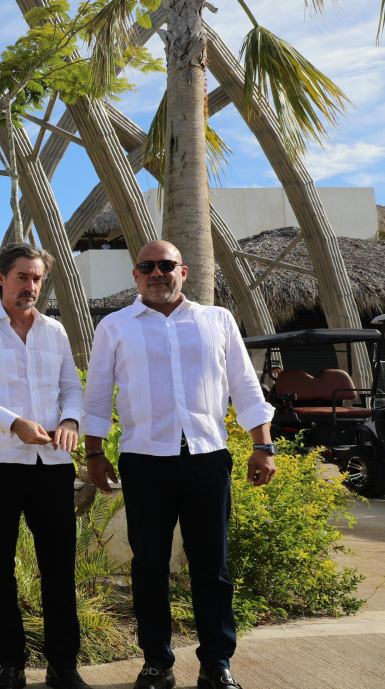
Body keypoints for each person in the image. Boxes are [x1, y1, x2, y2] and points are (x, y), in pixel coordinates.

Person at [84, 240, 276, 689]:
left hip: (207, 460)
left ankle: (216, 663)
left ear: (182, 272)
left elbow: (245, 387)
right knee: (149, 565)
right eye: (147, 266)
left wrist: (263, 446)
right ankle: (156, 662)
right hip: (144, 461)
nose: (157, 272)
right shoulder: (114, 326)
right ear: (135, 275)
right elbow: (96, 395)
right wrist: (94, 453)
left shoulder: (218, 321)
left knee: (212, 566)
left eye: (166, 265)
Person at [0, 243, 89, 689]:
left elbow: (72, 387)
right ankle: (11, 664)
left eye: (36, 278)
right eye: (22, 277)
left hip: (52, 463)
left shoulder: (55, 330)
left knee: (59, 565)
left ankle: (63, 665)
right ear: (0, 277)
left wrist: (70, 420)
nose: (30, 286)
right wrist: (14, 424)